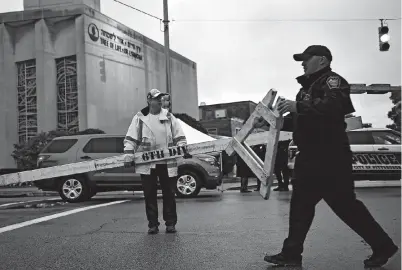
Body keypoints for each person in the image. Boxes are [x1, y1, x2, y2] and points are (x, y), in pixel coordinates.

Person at [255, 45, 398, 268]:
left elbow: (334, 107)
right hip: (310, 155)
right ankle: (291, 253)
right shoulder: (305, 90)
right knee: (301, 205)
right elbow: (303, 119)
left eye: (306, 59)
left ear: (322, 60)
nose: (302, 63)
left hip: (329, 155)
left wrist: (298, 106)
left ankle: (383, 246)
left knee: (345, 206)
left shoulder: (334, 81)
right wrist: (275, 120)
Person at [123, 89, 190, 235]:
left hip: (167, 162)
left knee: (169, 194)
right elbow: (131, 138)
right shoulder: (140, 118)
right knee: (149, 195)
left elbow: (179, 136)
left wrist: (182, 147)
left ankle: (170, 223)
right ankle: (152, 225)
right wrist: (128, 154)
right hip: (147, 164)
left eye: (161, 98)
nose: (160, 100)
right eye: (156, 98)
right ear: (149, 100)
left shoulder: (169, 116)